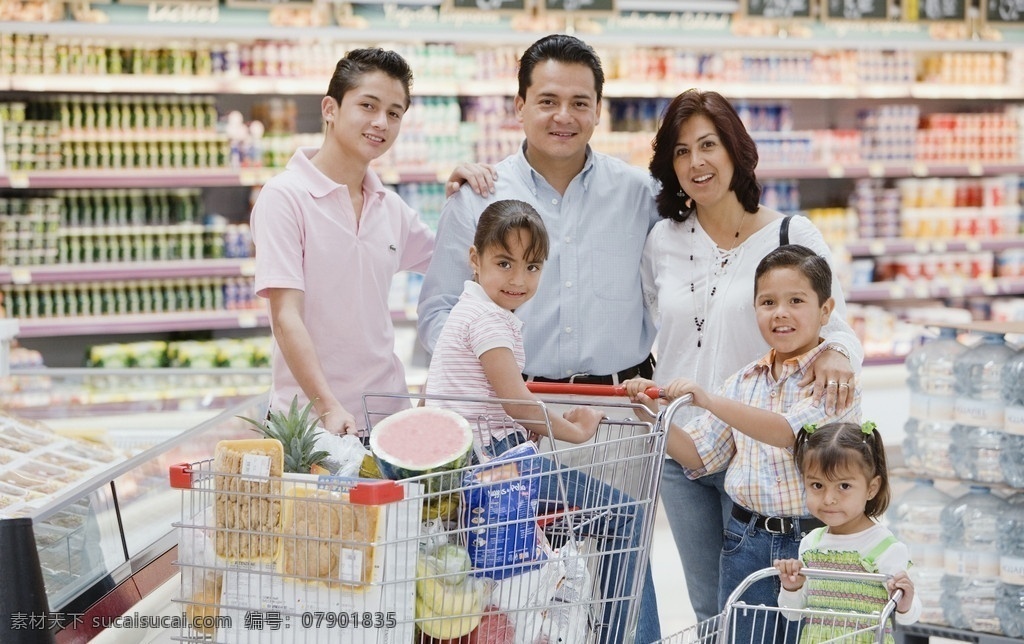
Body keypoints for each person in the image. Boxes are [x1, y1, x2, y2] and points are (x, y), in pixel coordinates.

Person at [417, 34, 662, 642]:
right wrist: (483, 375)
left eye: (580, 102)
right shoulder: (478, 195)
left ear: (599, 110)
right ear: (519, 105)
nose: (564, 116)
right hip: (510, 417)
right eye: (547, 99)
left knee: (623, 577)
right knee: (518, 588)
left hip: (612, 416)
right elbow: (437, 312)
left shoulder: (639, 195)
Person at [638, 88, 864, 623]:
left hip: (766, 459)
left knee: (778, 610)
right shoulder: (660, 241)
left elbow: (838, 322)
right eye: (680, 150)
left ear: (735, 150)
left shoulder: (790, 233)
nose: (696, 162)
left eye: (708, 144)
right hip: (685, 447)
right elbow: (654, 328)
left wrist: (837, 352)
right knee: (710, 608)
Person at [626, 244, 862, 641]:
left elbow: (788, 432)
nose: (780, 312)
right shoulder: (743, 381)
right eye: (767, 302)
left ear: (826, 311)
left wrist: (709, 400)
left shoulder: (832, 381)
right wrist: (651, 414)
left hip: (814, 542)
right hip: (745, 542)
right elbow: (701, 453)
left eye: (796, 301)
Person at [250, 48, 434, 435]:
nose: (381, 122)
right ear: (330, 109)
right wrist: (328, 407)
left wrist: (465, 192)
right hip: (312, 425)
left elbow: (461, 263)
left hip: (388, 420)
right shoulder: (285, 197)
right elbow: (286, 317)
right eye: (368, 105)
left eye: (394, 113)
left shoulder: (392, 208)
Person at [774, 421, 921, 643]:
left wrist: (905, 602)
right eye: (817, 485)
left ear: (871, 488)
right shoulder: (812, 544)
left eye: (844, 486)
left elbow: (910, 617)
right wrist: (792, 587)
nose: (828, 499)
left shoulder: (885, 548)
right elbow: (792, 614)